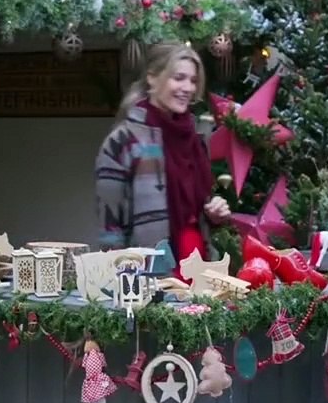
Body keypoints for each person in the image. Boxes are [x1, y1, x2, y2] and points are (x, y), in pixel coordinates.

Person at [95, 42, 230, 276]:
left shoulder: (195, 138)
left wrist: (214, 213)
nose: (187, 88)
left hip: (200, 270)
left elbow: (197, 209)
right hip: (150, 274)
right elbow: (110, 228)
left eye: (193, 80)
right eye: (178, 78)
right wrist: (122, 284)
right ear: (152, 78)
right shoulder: (123, 141)